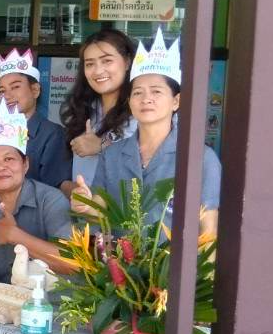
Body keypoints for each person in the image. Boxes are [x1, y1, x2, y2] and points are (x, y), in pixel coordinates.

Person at [75, 32, 221, 236]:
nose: (146, 99)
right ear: (130, 102)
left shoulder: (201, 158)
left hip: (174, 266)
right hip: (120, 266)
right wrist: (84, 205)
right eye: (137, 92)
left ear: (176, 101)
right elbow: (99, 215)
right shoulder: (112, 155)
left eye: (156, 91)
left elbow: (208, 231)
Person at [0, 100, 77, 334]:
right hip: (7, 320)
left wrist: (15, 236)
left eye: (9, 159)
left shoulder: (51, 200)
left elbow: (72, 262)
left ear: (25, 164)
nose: (0, 167)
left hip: (59, 317)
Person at [61, 27, 137, 186]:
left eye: (107, 61)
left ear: (127, 62)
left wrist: (101, 146)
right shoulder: (83, 109)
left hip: (123, 208)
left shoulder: (142, 110)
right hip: (83, 208)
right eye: (89, 64)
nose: (98, 70)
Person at [0, 49, 72, 193]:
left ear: (35, 90)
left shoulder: (52, 134)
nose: (7, 96)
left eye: (15, 87)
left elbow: (54, 188)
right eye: (1, 91)